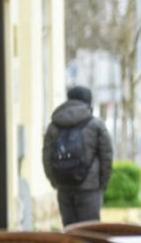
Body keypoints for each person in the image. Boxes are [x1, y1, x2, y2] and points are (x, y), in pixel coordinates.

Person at [42, 86, 113, 226]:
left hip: (64, 187)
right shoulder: (96, 125)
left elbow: (46, 157)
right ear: (88, 102)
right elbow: (107, 157)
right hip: (89, 189)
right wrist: (102, 185)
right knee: (90, 235)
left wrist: (55, 182)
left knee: (70, 233)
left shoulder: (54, 126)